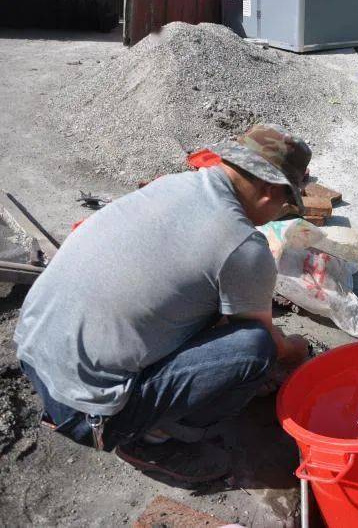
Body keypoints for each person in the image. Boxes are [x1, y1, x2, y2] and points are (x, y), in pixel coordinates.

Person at [14, 124, 311, 483]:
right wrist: (298, 350)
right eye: (285, 203)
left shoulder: (170, 185)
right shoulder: (243, 246)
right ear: (269, 190)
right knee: (255, 349)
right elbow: (268, 343)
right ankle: (153, 441)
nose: (281, 212)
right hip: (86, 411)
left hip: (34, 351)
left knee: (209, 306)